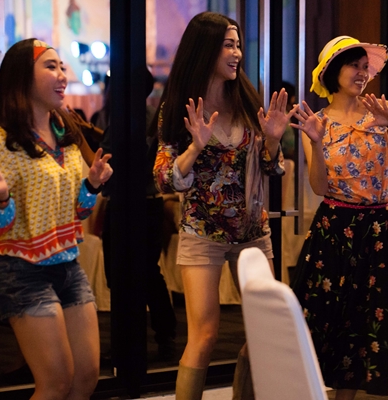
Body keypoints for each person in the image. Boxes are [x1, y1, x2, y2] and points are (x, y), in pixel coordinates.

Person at [152, 11, 296, 400]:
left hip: (252, 232)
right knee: (205, 335)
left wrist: (271, 141)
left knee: (267, 329)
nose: (236, 53)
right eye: (228, 45)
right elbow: (164, 178)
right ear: (205, 50)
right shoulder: (179, 108)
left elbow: (272, 169)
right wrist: (195, 147)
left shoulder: (247, 100)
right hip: (202, 231)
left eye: (237, 45)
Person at [0, 38, 113, 400]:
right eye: (50, 66)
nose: (62, 74)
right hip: (22, 272)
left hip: (68, 265)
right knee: (56, 382)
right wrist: (1, 196)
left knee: (86, 378)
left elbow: (79, 211)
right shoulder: (0, 141)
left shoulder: (65, 133)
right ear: (22, 76)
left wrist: (92, 185)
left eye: (62, 66)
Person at [289, 36, 388, 399]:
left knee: (363, 322)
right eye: (353, 65)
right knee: (319, 317)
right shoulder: (318, 121)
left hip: (376, 230)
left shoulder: (384, 109)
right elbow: (319, 187)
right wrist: (317, 142)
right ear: (332, 72)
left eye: (365, 66)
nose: (361, 73)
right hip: (333, 229)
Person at [100, 66, 177, 361]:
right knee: (148, 273)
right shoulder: (152, 118)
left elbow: (109, 166)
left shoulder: (125, 119)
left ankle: (128, 343)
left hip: (129, 206)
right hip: (149, 204)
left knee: (122, 275)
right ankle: (163, 336)